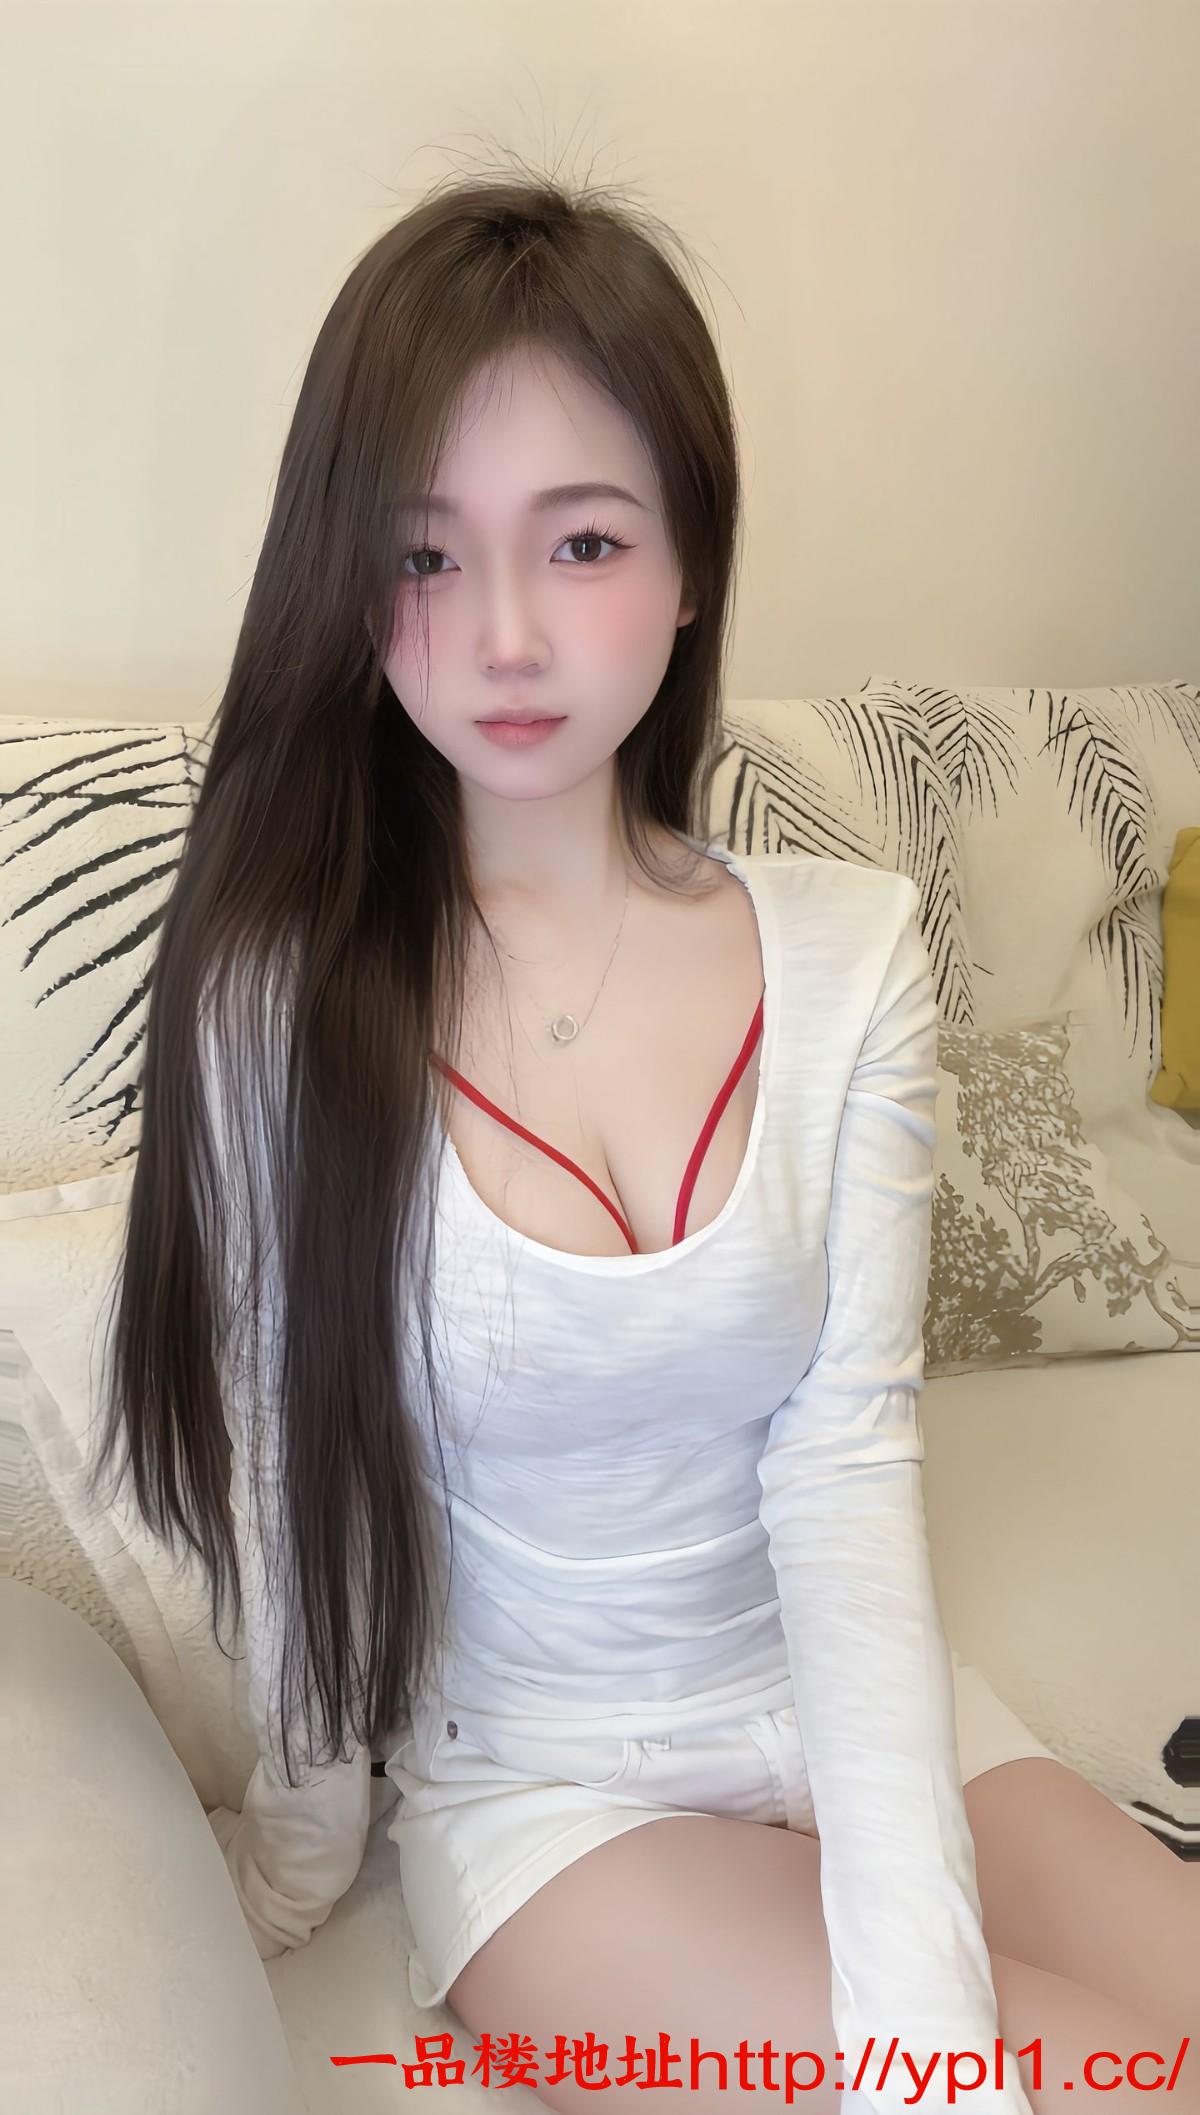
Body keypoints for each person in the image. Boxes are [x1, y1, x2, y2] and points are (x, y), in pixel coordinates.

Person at [91, 162, 1199, 2115]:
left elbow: (845, 1474)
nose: (506, 635)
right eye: (426, 557)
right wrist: (295, 1859)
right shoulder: (286, 1005)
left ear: (690, 567)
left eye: (584, 541)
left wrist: (923, 2015)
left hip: (862, 1713)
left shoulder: (850, 956)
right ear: (350, 589)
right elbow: (288, 1461)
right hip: (553, 1800)